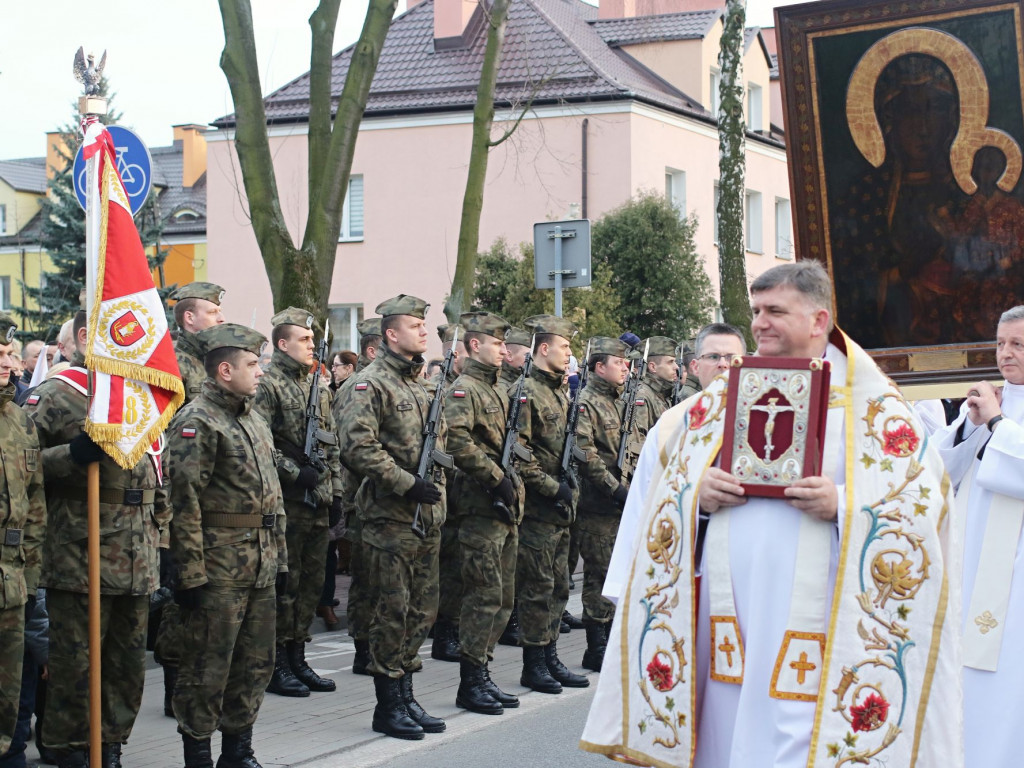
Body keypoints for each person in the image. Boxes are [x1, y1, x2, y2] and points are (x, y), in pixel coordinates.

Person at [580, 261, 961, 768]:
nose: (759, 323)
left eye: (775, 311)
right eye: (757, 310)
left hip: (820, 622)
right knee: (726, 734)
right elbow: (665, 493)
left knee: (798, 736)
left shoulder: (876, 409)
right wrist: (699, 495)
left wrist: (843, 504)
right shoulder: (714, 403)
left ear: (819, 320)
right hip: (728, 623)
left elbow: (921, 506)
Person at [25, 310, 167, 768]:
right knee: (76, 664)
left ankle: (111, 745)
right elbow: (18, 468)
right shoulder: (57, 395)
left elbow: (156, 477)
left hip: (136, 555)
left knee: (126, 666)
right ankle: (70, 749)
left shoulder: (138, 397)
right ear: (87, 338)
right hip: (80, 555)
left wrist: (161, 536)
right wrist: (72, 454)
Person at [166, 323, 287, 768]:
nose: (260, 372)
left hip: (260, 565)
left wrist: (282, 559)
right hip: (219, 570)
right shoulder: (197, 421)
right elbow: (183, 502)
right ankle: (198, 755)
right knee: (206, 670)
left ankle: (238, 753)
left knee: (255, 665)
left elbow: (271, 494)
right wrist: (190, 573)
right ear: (224, 370)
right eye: (252, 364)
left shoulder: (253, 417)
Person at [336, 295, 447, 740]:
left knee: (421, 612)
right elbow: (358, 448)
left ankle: (406, 693)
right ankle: (388, 704)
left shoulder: (417, 385)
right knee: (392, 612)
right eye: (415, 325)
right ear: (390, 335)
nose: (423, 331)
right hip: (389, 518)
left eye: (424, 325)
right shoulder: (369, 385)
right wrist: (406, 483)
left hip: (425, 518)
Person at [933, 305, 1024, 766]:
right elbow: (936, 471)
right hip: (970, 564)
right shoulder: (990, 402)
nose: (1005, 354)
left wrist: (996, 426)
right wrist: (970, 424)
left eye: (1018, 345)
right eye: (1001, 343)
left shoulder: (999, 414)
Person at [603, 323, 747, 605]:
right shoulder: (672, 426)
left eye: (732, 358)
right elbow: (643, 501)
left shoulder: (768, 418)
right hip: (684, 566)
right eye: (713, 357)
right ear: (695, 366)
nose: (723, 365)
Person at [255, 308, 343, 698]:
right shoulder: (267, 386)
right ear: (282, 344)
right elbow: (261, 444)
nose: (311, 346)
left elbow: (330, 445)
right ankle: (276, 662)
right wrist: (294, 473)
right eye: (304, 340)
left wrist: (336, 491)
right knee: (285, 586)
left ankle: (297, 655)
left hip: (317, 502)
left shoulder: (317, 388)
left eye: (312, 340)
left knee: (310, 585)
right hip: (287, 502)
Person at [443, 311, 522, 715]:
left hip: (504, 508)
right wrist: (495, 478)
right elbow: (455, 440)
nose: (504, 350)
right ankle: (470, 682)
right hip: (479, 506)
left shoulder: (499, 390)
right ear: (475, 344)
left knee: (503, 598)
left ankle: (483, 672)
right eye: (497, 343)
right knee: (482, 596)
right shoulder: (464, 389)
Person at [155, 281, 227, 717]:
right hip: (179, 487)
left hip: (215, 489)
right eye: (214, 313)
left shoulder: (213, 361)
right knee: (180, 591)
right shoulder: (173, 362)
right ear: (189, 318)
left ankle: (199, 681)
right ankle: (173, 680)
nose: (220, 319)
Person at [515, 315, 589, 694]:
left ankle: (550, 655)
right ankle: (534, 663)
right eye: (564, 347)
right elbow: (518, 454)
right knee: (537, 589)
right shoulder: (526, 391)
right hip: (538, 511)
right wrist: (550, 487)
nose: (569, 354)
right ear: (544, 349)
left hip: (561, 508)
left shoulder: (559, 392)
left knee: (559, 586)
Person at [0, 314, 46, 761]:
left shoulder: (19, 419)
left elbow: (35, 508)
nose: (8, 362)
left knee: (10, 683)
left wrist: (30, 580)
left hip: (12, 580)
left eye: (10, 353)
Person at [574, 337, 635, 671]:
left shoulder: (621, 401)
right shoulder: (586, 402)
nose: (625, 367)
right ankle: (596, 649)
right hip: (599, 504)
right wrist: (615, 490)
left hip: (621, 503)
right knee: (600, 576)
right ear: (600, 367)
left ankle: (612, 641)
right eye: (618, 362)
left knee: (618, 573)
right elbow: (586, 454)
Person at [331, 318, 382, 673]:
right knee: (366, 580)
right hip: (361, 496)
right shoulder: (358, 387)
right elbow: (350, 448)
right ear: (374, 350)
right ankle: (364, 648)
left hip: (378, 496)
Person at [431, 323, 466, 663]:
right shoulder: (438, 388)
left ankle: (451, 631)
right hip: (443, 490)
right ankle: (444, 633)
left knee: (457, 567)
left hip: (461, 492)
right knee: (447, 568)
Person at [634, 336, 678, 436]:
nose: (676, 367)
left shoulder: (662, 393)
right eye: (670, 362)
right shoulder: (642, 395)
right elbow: (639, 440)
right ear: (653, 367)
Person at [500, 326, 531, 393]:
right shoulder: (498, 386)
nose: (531, 360)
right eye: (527, 355)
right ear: (509, 356)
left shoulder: (527, 382)